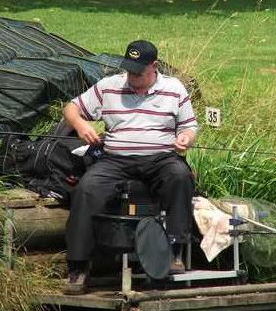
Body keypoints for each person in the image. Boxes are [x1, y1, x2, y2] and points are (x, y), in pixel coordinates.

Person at [62, 39, 198, 294]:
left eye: (139, 71)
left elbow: (190, 125)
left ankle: (175, 251)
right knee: (87, 188)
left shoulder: (174, 88)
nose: (132, 76)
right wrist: (81, 125)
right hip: (116, 159)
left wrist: (185, 138)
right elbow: (70, 108)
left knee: (180, 176)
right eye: (129, 70)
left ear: (154, 66)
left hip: (161, 158)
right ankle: (78, 267)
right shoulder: (109, 86)